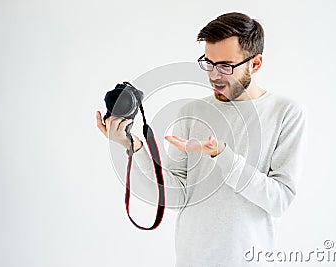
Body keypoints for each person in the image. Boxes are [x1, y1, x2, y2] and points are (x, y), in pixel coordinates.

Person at [96, 12, 306, 267]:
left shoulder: (285, 113)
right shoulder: (192, 112)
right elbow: (177, 196)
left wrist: (222, 156)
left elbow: (279, 200)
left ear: (256, 63)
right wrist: (134, 147)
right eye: (209, 63)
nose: (214, 75)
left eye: (225, 66)